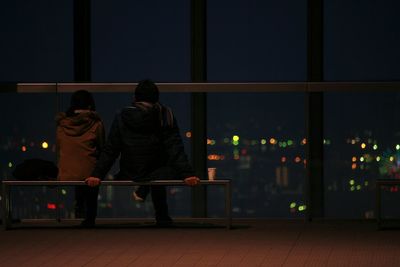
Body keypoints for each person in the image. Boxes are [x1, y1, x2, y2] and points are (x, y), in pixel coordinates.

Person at [86, 79, 200, 226]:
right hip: (156, 170)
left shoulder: (122, 116)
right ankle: (162, 215)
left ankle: (147, 192)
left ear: (135, 98)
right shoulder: (165, 115)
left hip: (130, 171)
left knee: (157, 168)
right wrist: (187, 173)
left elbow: (111, 149)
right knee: (164, 167)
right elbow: (174, 147)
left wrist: (97, 174)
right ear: (156, 98)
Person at [56, 90, 105, 228]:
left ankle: (79, 206)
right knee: (89, 167)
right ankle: (90, 217)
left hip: (66, 172)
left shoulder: (62, 124)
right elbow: (102, 147)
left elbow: (60, 147)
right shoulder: (96, 124)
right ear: (90, 106)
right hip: (89, 175)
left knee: (79, 165)